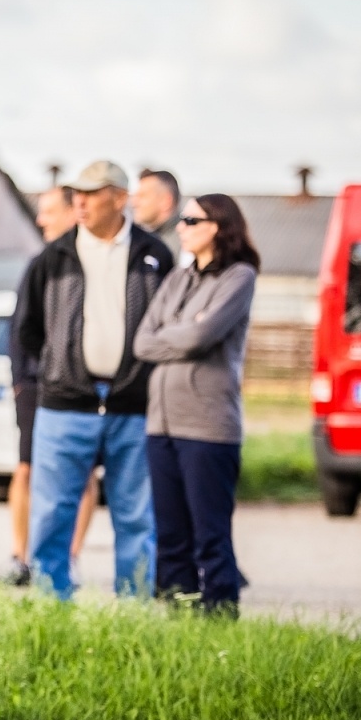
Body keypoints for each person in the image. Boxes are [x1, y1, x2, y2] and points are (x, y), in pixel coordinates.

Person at [16, 160, 171, 600]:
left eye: (91, 193)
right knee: (52, 514)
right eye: (76, 194)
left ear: (119, 199)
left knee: (137, 515)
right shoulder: (53, 256)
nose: (79, 202)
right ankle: (52, 606)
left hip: (134, 406)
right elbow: (27, 330)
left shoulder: (155, 254)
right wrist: (55, 369)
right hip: (65, 405)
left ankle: (133, 608)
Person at [133, 194, 259, 615]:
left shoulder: (239, 278)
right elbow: (142, 342)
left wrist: (180, 333)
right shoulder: (177, 279)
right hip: (161, 425)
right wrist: (183, 332)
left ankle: (220, 616)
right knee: (170, 533)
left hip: (207, 427)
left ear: (218, 226)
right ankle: (178, 614)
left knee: (209, 533)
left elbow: (199, 339)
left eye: (191, 219)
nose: (181, 227)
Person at [0, 186, 100, 587]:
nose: (41, 220)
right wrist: (22, 381)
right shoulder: (41, 262)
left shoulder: (96, 260)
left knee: (84, 473)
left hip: (85, 388)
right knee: (25, 470)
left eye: (49, 212)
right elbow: (20, 327)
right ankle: (20, 558)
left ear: (75, 212)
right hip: (36, 386)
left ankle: (68, 558)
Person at [132, 168, 182, 260]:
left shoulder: (185, 243)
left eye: (142, 196)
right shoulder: (137, 238)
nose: (134, 203)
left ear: (166, 201)